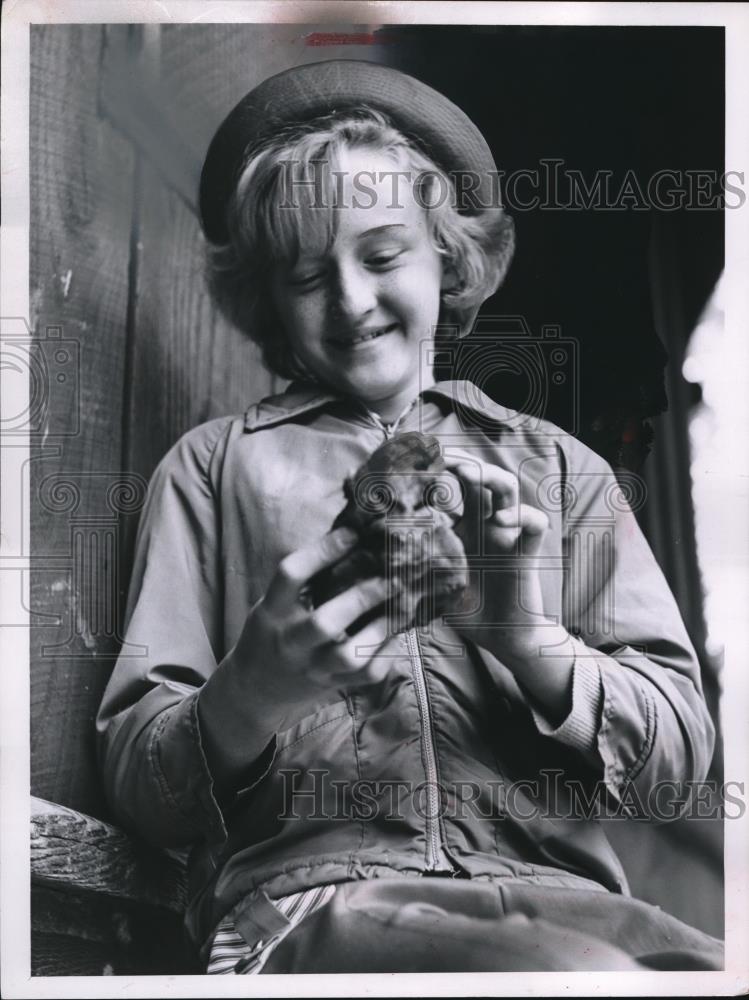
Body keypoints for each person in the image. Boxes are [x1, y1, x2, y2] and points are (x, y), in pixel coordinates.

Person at [96, 60, 722, 973]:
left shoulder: (559, 471)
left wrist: (527, 637)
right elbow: (139, 785)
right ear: (266, 295)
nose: (350, 300)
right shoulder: (211, 470)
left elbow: (677, 767)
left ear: (448, 255)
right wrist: (253, 690)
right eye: (307, 275)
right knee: (570, 980)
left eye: (383, 255)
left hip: (570, 901)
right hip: (312, 906)